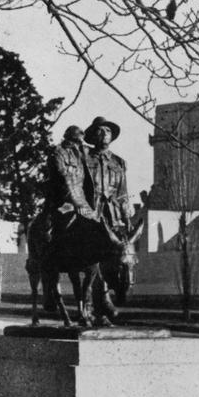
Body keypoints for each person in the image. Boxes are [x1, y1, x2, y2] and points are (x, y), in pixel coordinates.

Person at [83, 116, 134, 319]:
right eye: (99, 130)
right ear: (92, 135)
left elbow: (122, 193)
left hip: (111, 215)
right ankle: (94, 302)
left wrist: (126, 216)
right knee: (90, 256)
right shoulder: (85, 159)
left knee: (114, 257)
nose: (104, 133)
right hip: (90, 212)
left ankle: (106, 297)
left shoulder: (118, 162)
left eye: (108, 131)